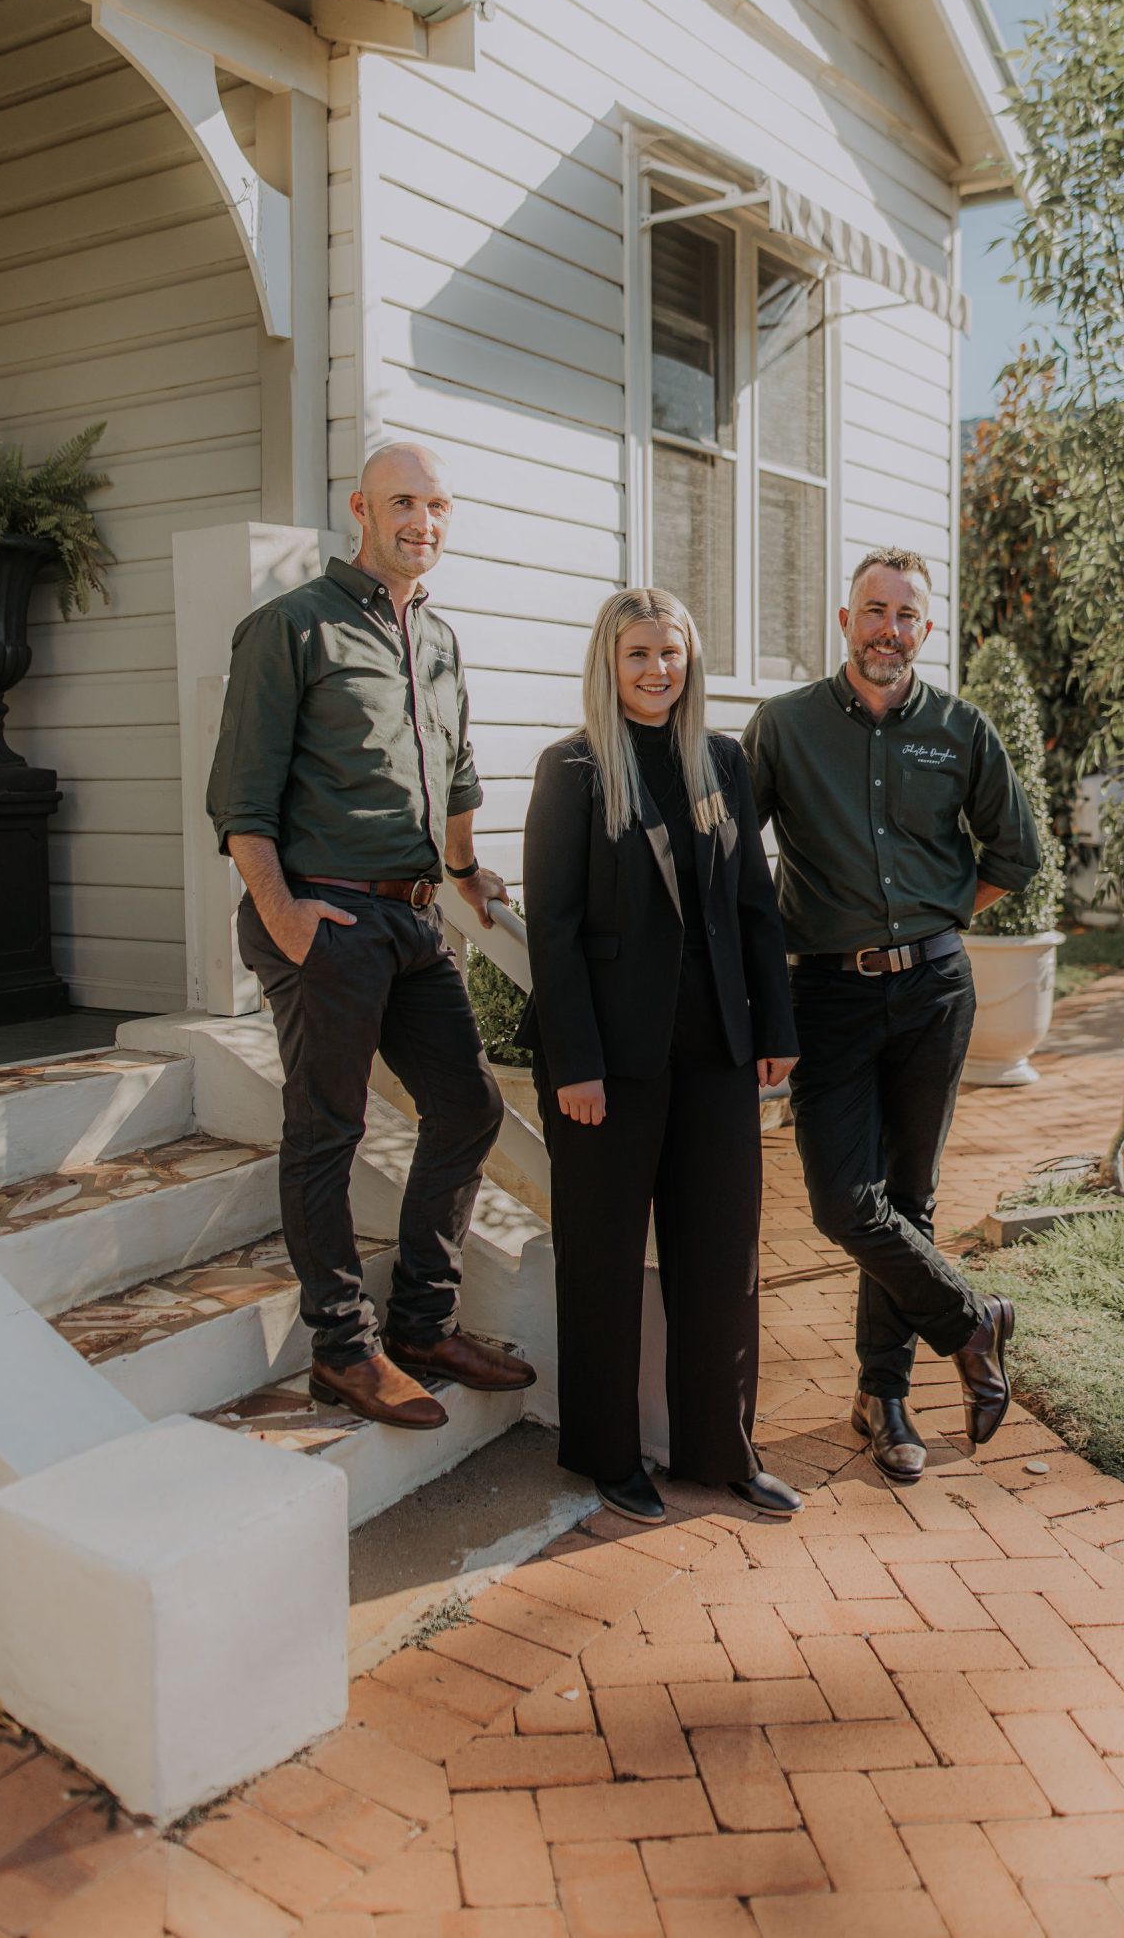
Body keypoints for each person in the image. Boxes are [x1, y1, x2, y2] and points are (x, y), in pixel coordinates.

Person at [206, 442, 535, 1432]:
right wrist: (286, 916)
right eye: (402, 501)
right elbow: (240, 797)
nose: (421, 519)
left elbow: (459, 771)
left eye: (436, 503)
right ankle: (342, 1350)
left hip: (413, 914)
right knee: (327, 1129)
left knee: (467, 1106)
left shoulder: (437, 638)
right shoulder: (288, 628)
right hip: (328, 914)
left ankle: (424, 1324)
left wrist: (469, 867)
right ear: (359, 507)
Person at [743, 547, 1042, 1485]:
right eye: (874, 610)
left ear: (926, 629)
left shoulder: (960, 730)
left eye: (906, 616)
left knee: (908, 1197)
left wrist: (938, 919)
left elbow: (1014, 853)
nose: (888, 630)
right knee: (844, 1200)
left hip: (933, 993)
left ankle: (884, 1397)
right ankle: (971, 1319)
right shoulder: (784, 728)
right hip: (825, 993)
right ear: (845, 620)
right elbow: (732, 862)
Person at [520, 587, 802, 1524]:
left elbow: (755, 909)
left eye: (671, 654)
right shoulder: (571, 769)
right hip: (610, 1060)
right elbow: (553, 932)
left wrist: (775, 1030)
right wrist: (575, 1064)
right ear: (610, 661)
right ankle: (606, 1453)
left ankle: (722, 1449)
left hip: (717, 1048)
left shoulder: (721, 760)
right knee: (600, 1256)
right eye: (639, 654)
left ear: (691, 662)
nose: (657, 671)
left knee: (722, 1254)